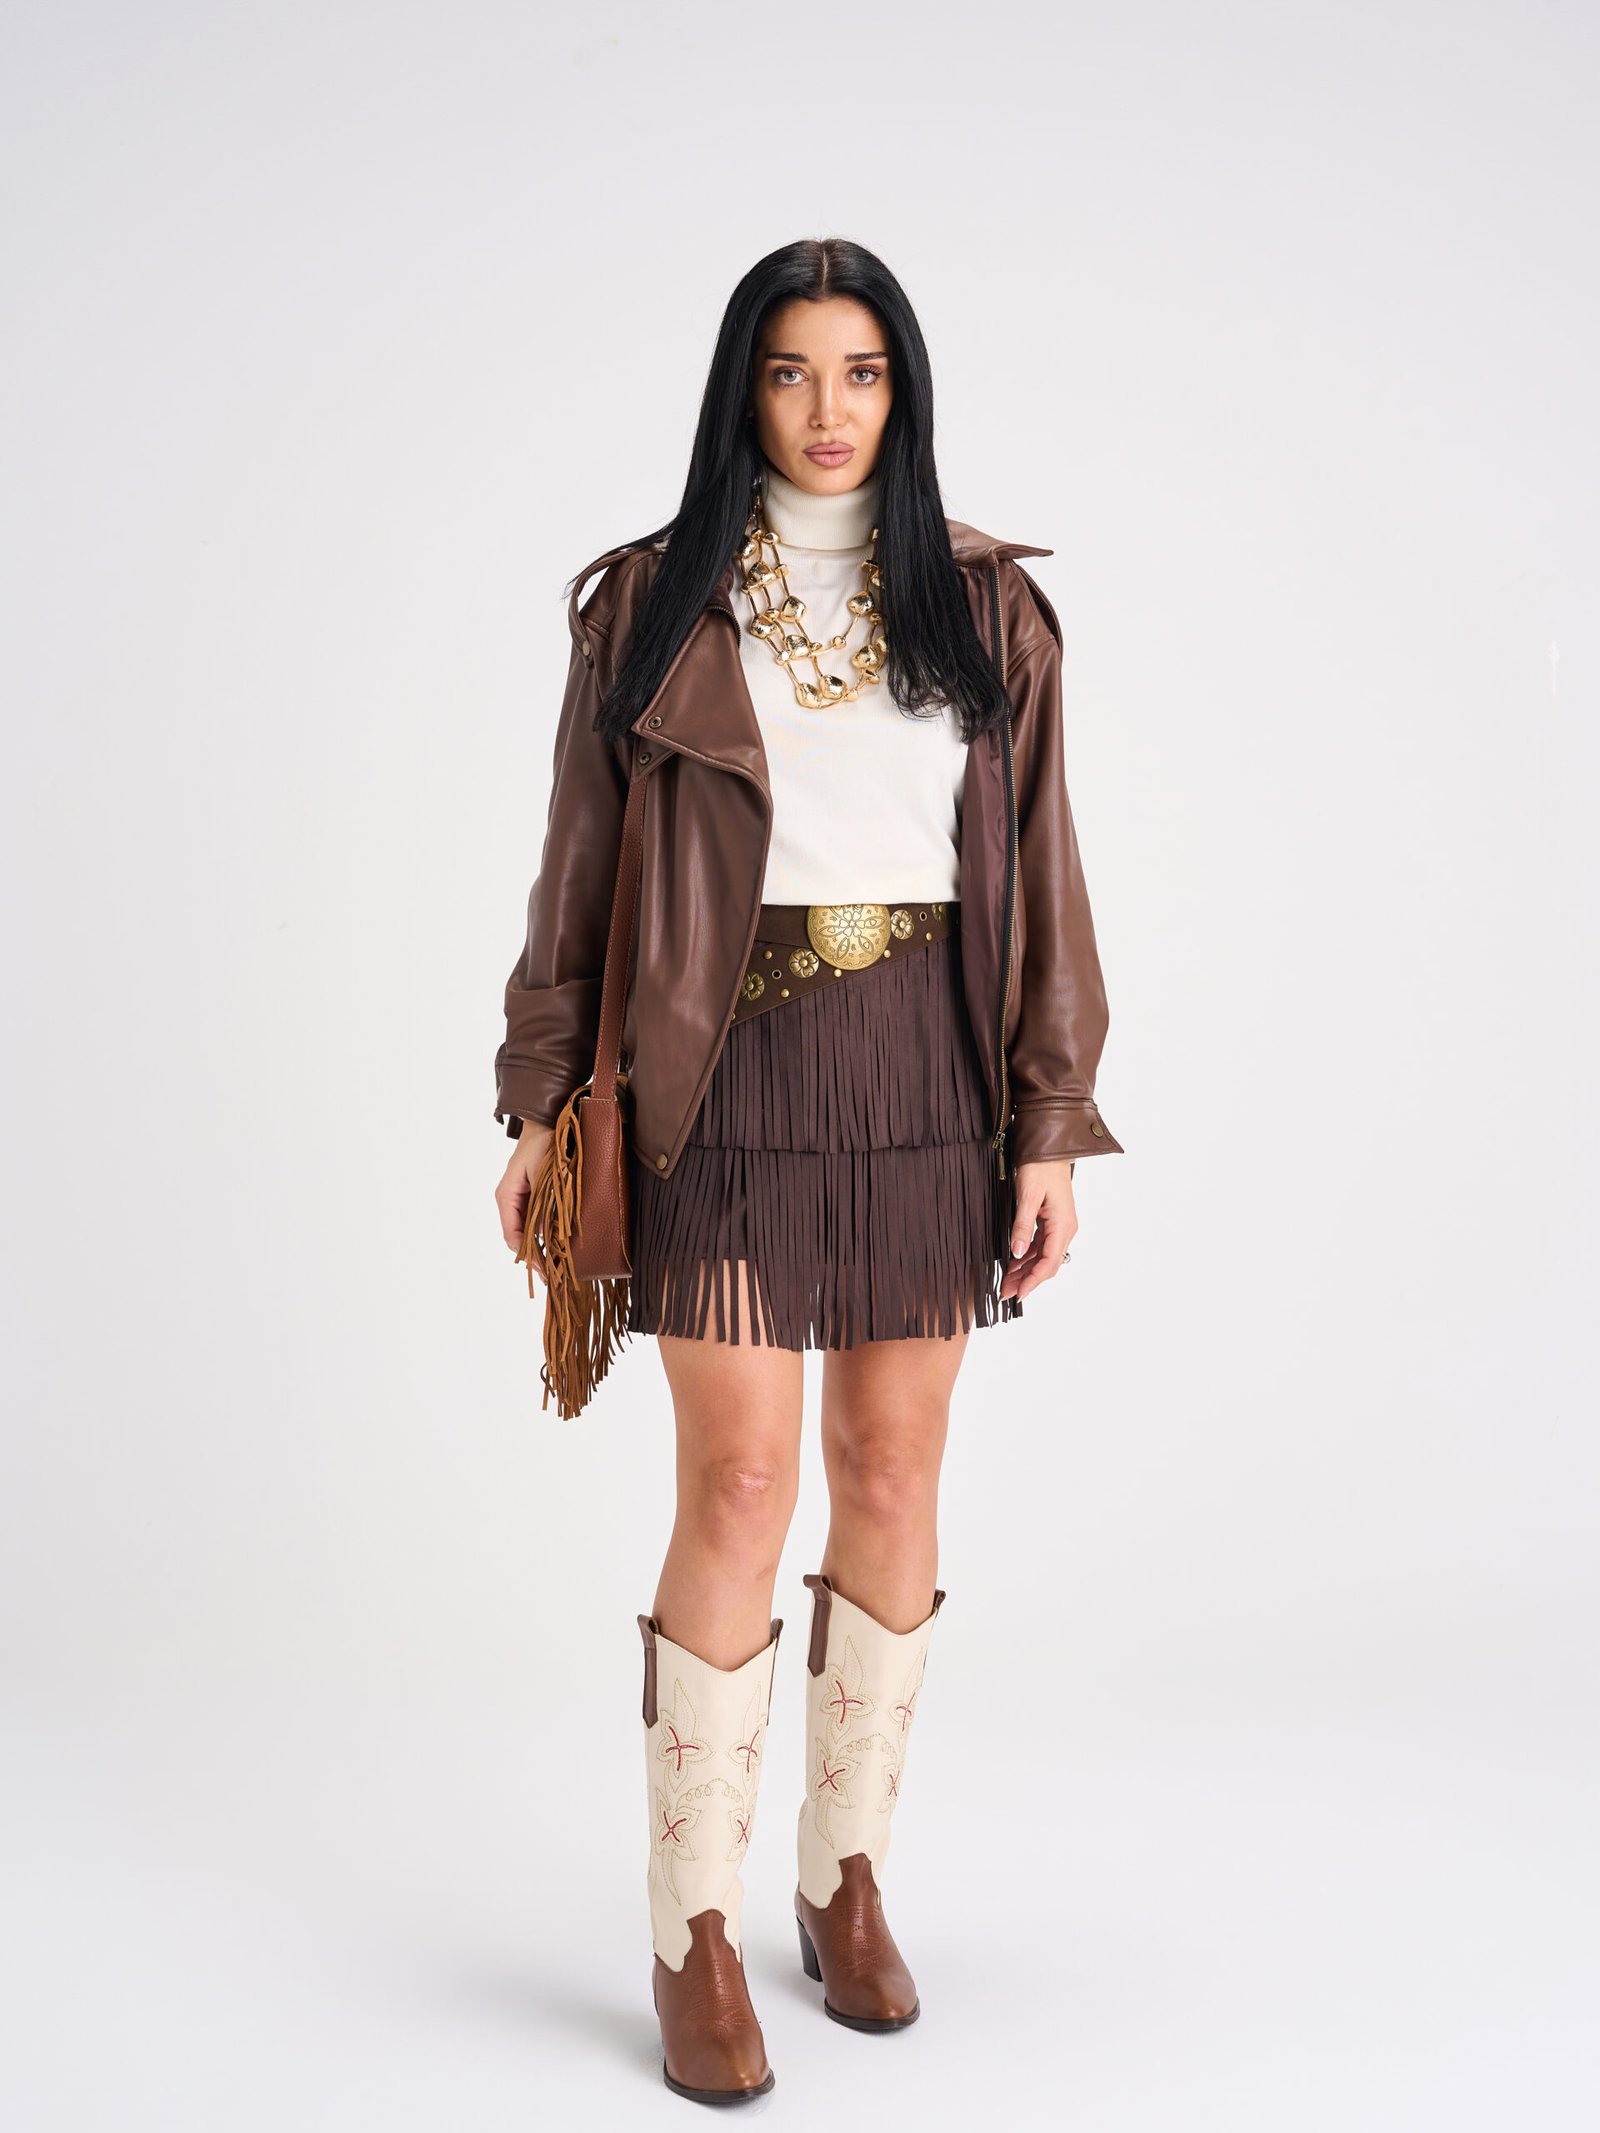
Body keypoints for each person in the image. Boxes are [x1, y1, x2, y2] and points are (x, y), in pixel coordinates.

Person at [491, 236, 1123, 2104]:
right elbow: (578, 869)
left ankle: (845, 1875)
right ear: (742, 392)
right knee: (744, 1477)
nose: (828, 409)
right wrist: (541, 1100)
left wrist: (1053, 1118)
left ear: (901, 392)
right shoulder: (650, 604)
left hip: (926, 1068)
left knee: (896, 1468)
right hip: (720, 1070)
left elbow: (1048, 873)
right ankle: (694, 1923)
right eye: (790, 372)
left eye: (861, 373)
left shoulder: (986, 607)